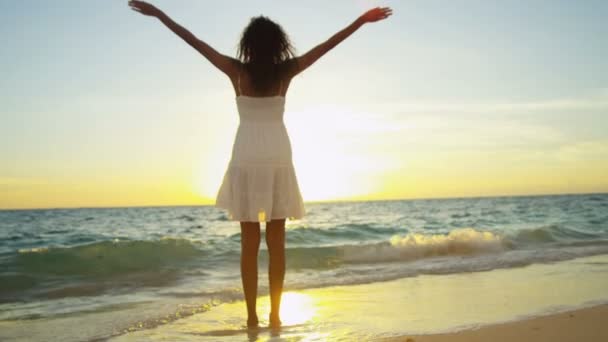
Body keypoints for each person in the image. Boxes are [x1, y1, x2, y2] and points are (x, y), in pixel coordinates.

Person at [128, 0, 392, 328]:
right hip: (278, 156)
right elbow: (327, 46)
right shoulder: (286, 72)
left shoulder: (236, 72)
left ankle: (252, 316)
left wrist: (160, 14)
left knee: (249, 245)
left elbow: (193, 41)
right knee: (277, 245)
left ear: (248, 44)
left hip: (247, 157)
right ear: (278, 44)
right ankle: (276, 315)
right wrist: (360, 21)